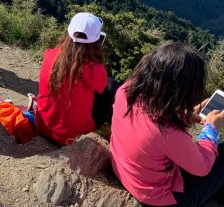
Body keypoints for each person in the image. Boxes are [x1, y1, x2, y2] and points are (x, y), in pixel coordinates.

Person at [111, 42, 224, 207]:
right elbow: (202, 167)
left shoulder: (126, 91)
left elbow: (149, 122)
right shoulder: (169, 132)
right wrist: (212, 129)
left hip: (125, 171)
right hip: (158, 199)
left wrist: (187, 115)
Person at [35, 12, 117, 145]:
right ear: (96, 41)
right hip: (72, 137)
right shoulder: (95, 69)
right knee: (111, 85)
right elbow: (102, 89)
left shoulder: (49, 54)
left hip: (43, 126)